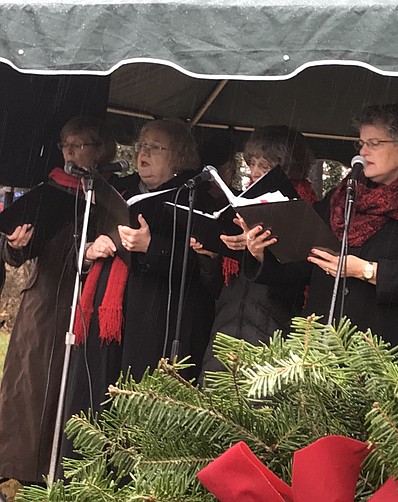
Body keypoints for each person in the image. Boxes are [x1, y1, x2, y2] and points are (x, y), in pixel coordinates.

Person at [243, 104, 398, 373]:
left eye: (374, 143)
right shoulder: (338, 201)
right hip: (321, 353)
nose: (363, 152)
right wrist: (261, 253)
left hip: (389, 358)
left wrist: (368, 271)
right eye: (361, 143)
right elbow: (302, 265)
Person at [61, 119, 214, 461]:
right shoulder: (118, 190)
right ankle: (86, 474)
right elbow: (79, 249)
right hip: (104, 316)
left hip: (155, 319)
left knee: (135, 406)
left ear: (179, 155)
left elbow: (202, 267)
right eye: (141, 145)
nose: (142, 154)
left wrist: (151, 246)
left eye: (154, 148)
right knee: (93, 399)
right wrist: (89, 251)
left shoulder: (195, 198)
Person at [0, 116, 116, 484]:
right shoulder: (50, 189)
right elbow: (20, 250)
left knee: (74, 389)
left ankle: (66, 471)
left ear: (100, 149)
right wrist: (15, 245)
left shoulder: (112, 192)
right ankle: (19, 471)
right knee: (30, 386)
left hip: (90, 300)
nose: (68, 151)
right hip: (46, 299)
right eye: (65, 144)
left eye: (78, 144)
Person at [196, 126, 318, 378]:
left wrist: (262, 255)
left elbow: (301, 283)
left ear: (286, 167)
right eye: (251, 163)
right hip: (224, 338)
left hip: (274, 340)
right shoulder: (239, 206)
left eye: (263, 165)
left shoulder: (307, 211)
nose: (253, 172)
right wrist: (210, 257)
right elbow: (217, 289)